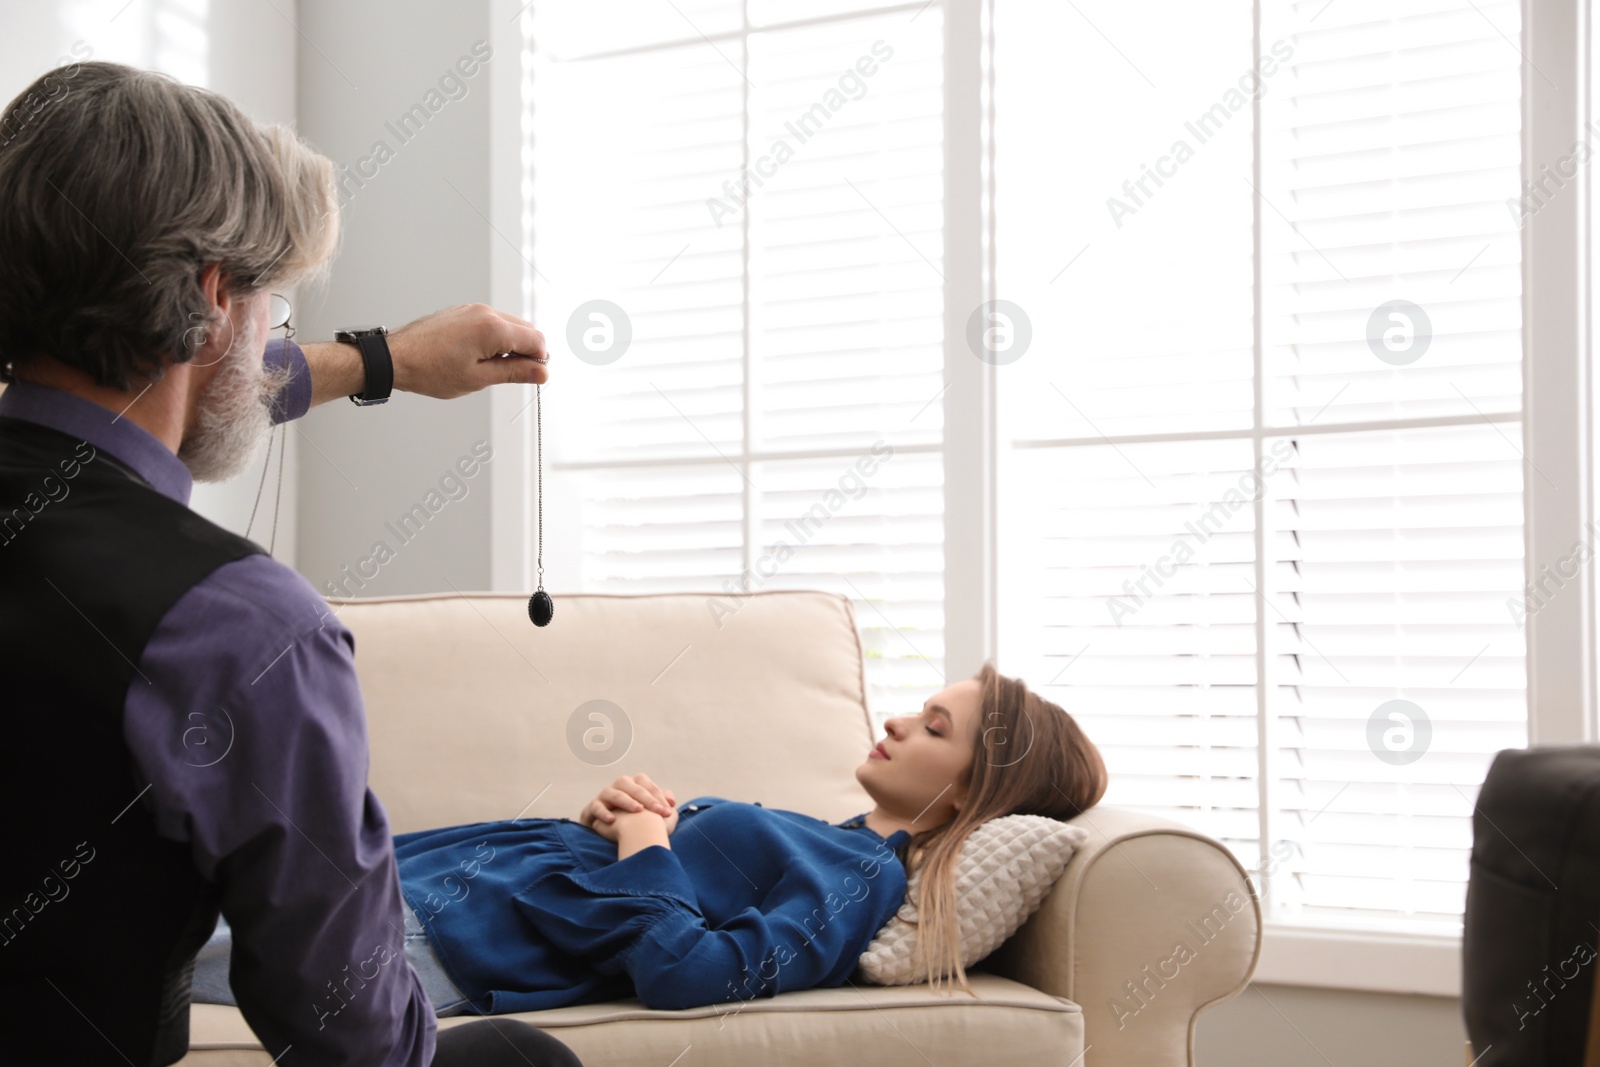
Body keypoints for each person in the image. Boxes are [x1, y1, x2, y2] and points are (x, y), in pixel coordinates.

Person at [0, 62, 577, 1067]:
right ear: (215, 294)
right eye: (271, 298)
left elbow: (189, 381)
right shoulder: (238, 628)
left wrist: (386, 359)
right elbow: (355, 1041)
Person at [193, 662, 1107, 1015]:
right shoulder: (832, 837)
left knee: (129, 953)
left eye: (936, 729)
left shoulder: (857, 881)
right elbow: (661, 887)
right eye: (921, 705)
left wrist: (645, 841)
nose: (903, 721)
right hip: (437, 882)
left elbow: (693, 972)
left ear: (968, 796)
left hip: (453, 936)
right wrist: (628, 824)